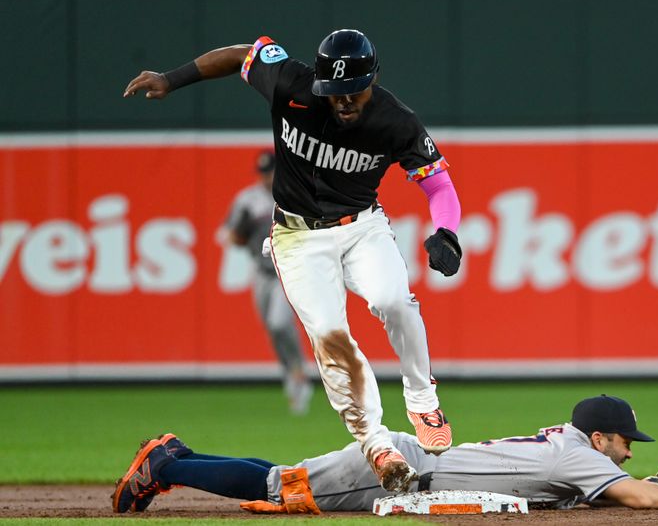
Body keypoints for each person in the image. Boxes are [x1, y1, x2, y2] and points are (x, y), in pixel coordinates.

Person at [124, 29, 463, 492]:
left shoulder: (394, 120)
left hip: (362, 227)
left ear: (374, 78)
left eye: (353, 91)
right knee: (329, 337)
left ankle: (423, 399)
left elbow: (438, 184)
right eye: (334, 91)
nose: (343, 101)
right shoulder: (291, 83)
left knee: (394, 300)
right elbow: (242, 54)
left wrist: (447, 231)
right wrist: (171, 78)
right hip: (297, 237)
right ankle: (377, 446)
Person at [111, 394, 658, 513]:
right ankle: (167, 463)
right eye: (625, 445)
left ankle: (173, 459)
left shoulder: (573, 448)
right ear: (599, 440)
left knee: (282, 479)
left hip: (415, 472)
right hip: (400, 475)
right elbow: (639, 495)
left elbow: (615, 489)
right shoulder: (582, 457)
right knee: (279, 486)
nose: (628, 454)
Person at [223, 148, 312, 415]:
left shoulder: (297, 194)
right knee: (272, 328)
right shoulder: (247, 201)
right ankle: (290, 372)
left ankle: (299, 373)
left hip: (289, 271)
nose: (266, 178)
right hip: (261, 272)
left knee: (279, 321)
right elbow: (234, 237)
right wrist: (242, 231)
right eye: (262, 173)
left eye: (270, 172)